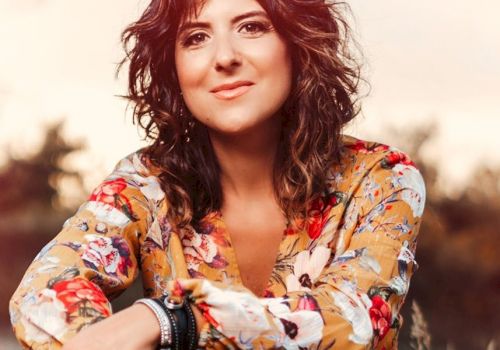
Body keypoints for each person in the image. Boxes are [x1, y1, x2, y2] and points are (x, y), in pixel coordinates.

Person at [9, 0, 426, 349]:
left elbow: (353, 320)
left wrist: (173, 321)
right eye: (196, 37)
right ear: (173, 66)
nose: (224, 57)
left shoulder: (382, 179)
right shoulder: (145, 184)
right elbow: (42, 293)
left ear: (297, 42)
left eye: (251, 27)